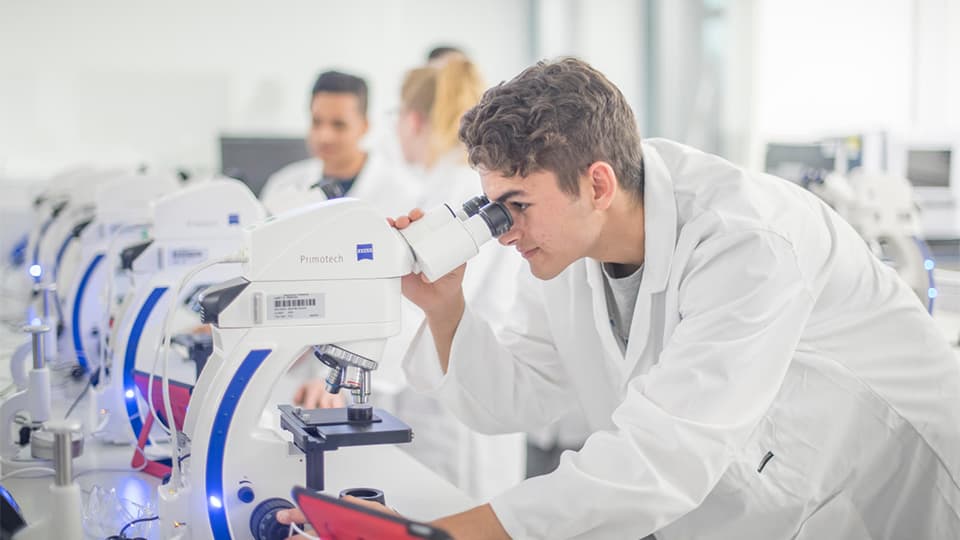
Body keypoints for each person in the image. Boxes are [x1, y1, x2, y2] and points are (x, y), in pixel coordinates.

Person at [281, 57, 960, 539]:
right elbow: (520, 397)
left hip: (894, 497)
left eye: (515, 206)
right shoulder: (569, 248)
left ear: (598, 184)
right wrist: (444, 307)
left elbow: (663, 455)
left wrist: (452, 534)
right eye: (492, 209)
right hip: (759, 504)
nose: (503, 230)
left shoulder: (746, 241)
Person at [292, 59, 526, 501]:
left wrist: (342, 376)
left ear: (412, 119)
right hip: (446, 383)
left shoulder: (452, 190)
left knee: (460, 509)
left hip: (461, 395)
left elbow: (423, 300)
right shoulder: (442, 185)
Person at [259, 70, 416, 216]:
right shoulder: (283, 185)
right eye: (317, 122)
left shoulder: (402, 192)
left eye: (339, 125)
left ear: (365, 126)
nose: (324, 136)